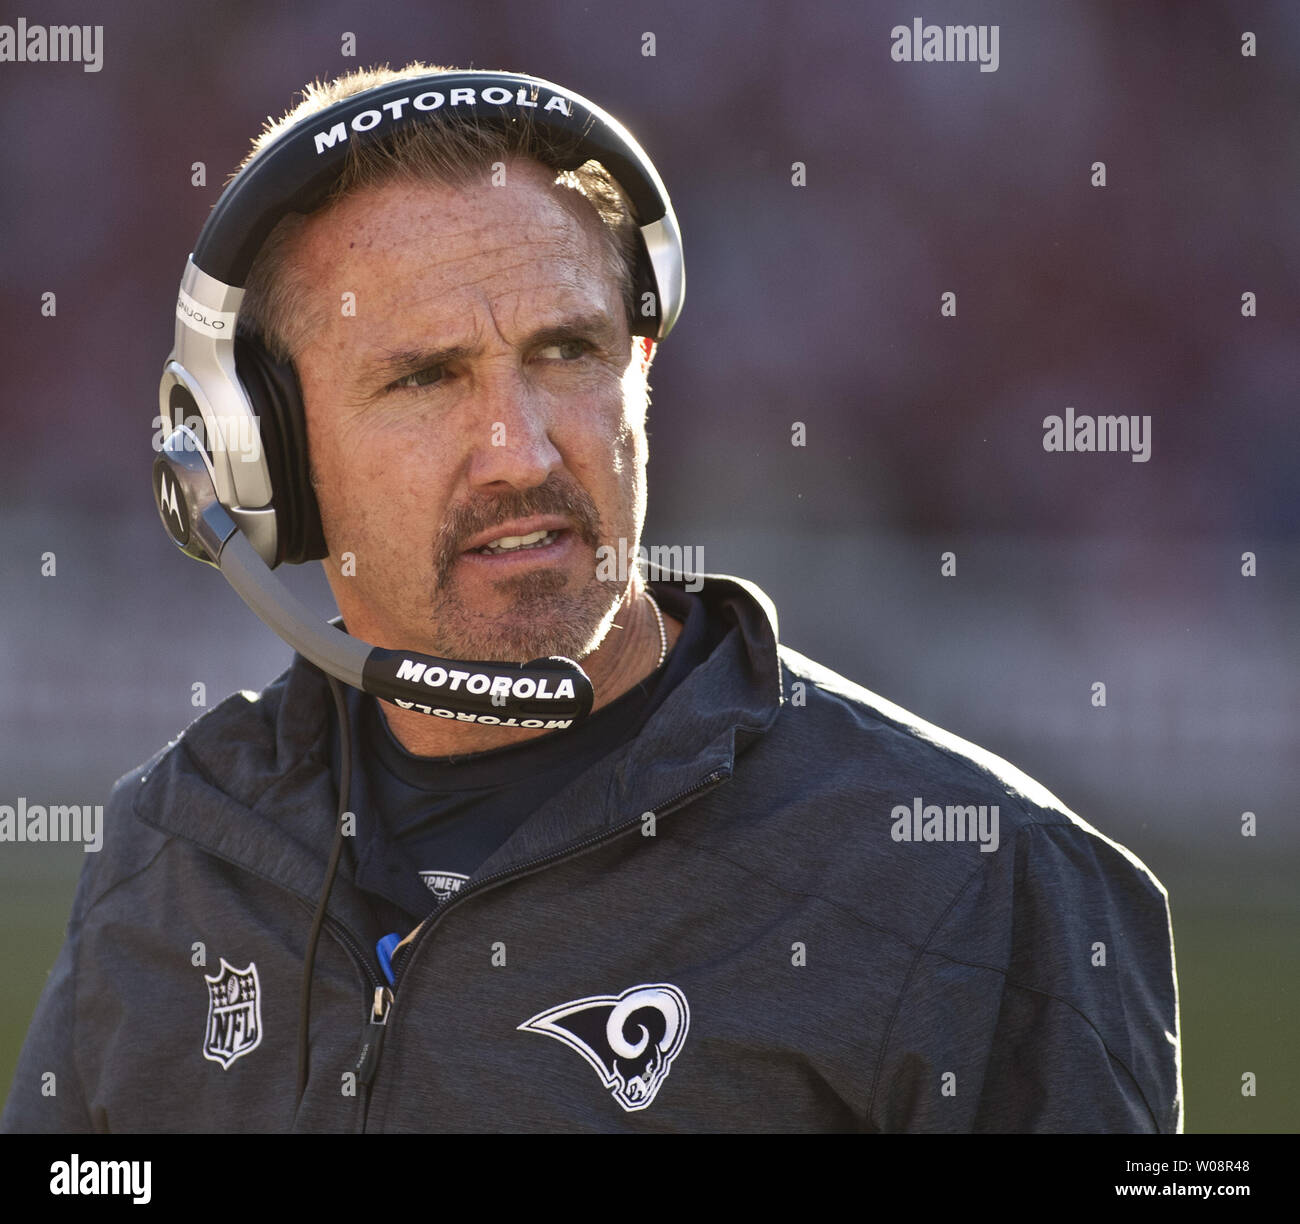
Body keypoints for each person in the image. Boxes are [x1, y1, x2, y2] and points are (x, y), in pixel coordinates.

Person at [2, 63, 1182, 1133]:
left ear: (641, 370)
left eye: (568, 353)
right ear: (263, 453)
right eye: (422, 378)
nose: (520, 451)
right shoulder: (176, 848)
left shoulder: (978, 880)